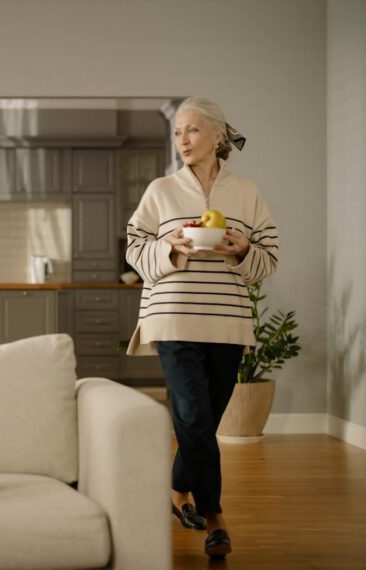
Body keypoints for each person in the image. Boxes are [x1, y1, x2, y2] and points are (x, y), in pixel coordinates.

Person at [125, 97, 278, 559]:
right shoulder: (160, 190)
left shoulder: (246, 192)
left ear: (217, 135)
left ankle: (176, 492)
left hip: (228, 320)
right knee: (191, 414)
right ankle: (214, 516)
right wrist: (170, 247)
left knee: (203, 421)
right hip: (171, 315)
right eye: (177, 133)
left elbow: (267, 260)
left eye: (191, 131)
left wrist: (240, 248)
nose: (183, 141)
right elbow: (135, 249)